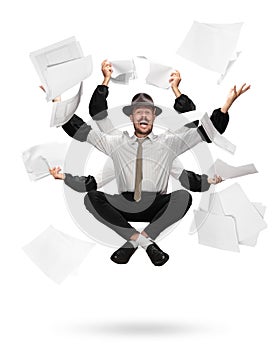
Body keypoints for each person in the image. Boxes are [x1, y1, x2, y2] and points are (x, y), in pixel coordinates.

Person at [49, 60, 250, 266]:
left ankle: (134, 242)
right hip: (124, 204)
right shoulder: (116, 142)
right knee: (91, 198)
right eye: (138, 111)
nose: (143, 115)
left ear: (154, 116)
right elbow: (83, 132)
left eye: (148, 111)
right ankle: (145, 243)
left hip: (156, 205)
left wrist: (225, 106)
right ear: (132, 117)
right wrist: (63, 102)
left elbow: (202, 131)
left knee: (182, 197)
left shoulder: (168, 143)